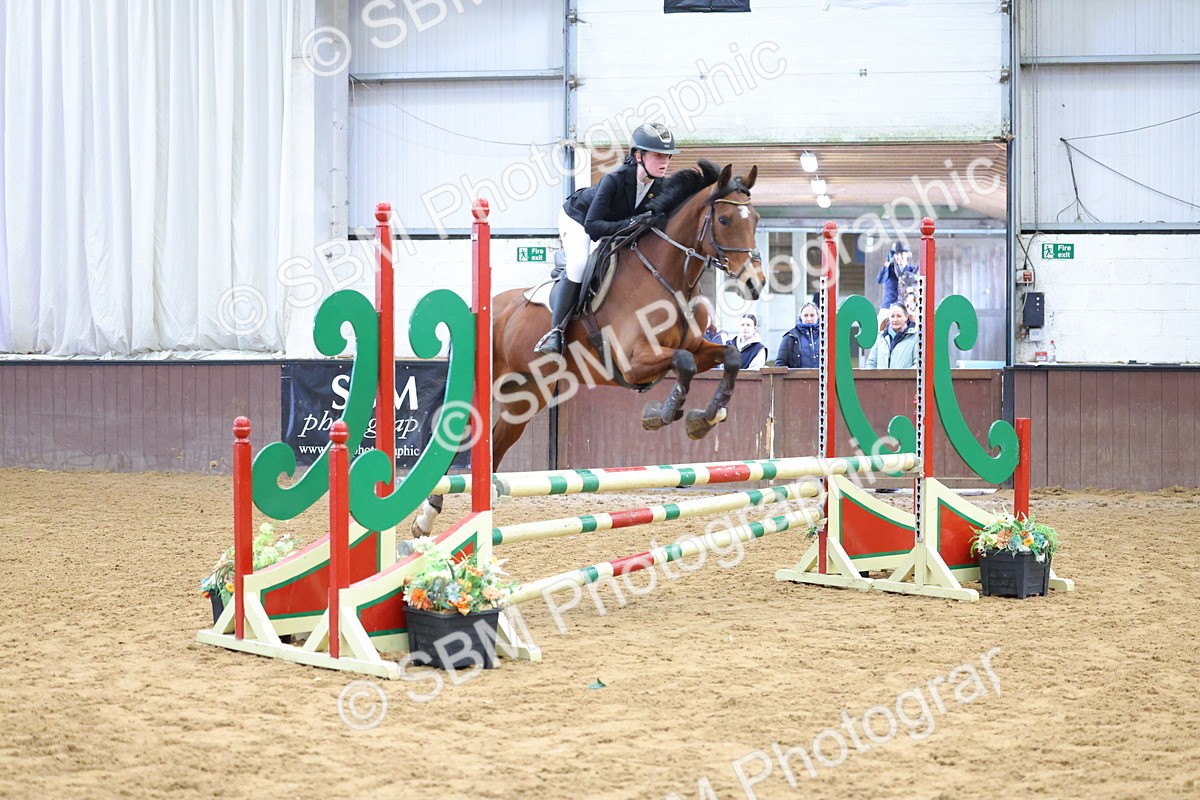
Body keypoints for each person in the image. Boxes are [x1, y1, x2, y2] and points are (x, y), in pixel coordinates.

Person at [535, 122, 680, 355]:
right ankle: (555, 333)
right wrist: (632, 224)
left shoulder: (661, 186)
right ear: (639, 155)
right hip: (578, 219)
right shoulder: (615, 179)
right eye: (658, 155)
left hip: (611, 225)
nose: (665, 162)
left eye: (668, 156)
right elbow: (593, 227)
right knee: (580, 264)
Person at [875, 242, 918, 331]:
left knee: (917, 324)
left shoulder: (913, 270)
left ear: (907, 255)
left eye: (902, 254)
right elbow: (880, 280)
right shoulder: (889, 268)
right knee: (878, 325)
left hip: (906, 307)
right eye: (896, 254)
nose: (899, 257)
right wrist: (887, 262)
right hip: (888, 305)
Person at [864, 303, 918, 369]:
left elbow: (917, 365)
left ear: (906, 317)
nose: (895, 320)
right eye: (892, 316)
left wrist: (901, 377)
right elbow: (871, 363)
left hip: (905, 379)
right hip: (880, 379)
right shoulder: (880, 337)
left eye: (899, 316)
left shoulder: (915, 337)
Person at [775, 302, 820, 369]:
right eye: (805, 315)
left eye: (812, 315)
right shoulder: (790, 337)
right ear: (800, 316)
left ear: (818, 316)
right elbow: (780, 363)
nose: (809, 319)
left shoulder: (826, 336)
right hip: (797, 378)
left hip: (823, 379)